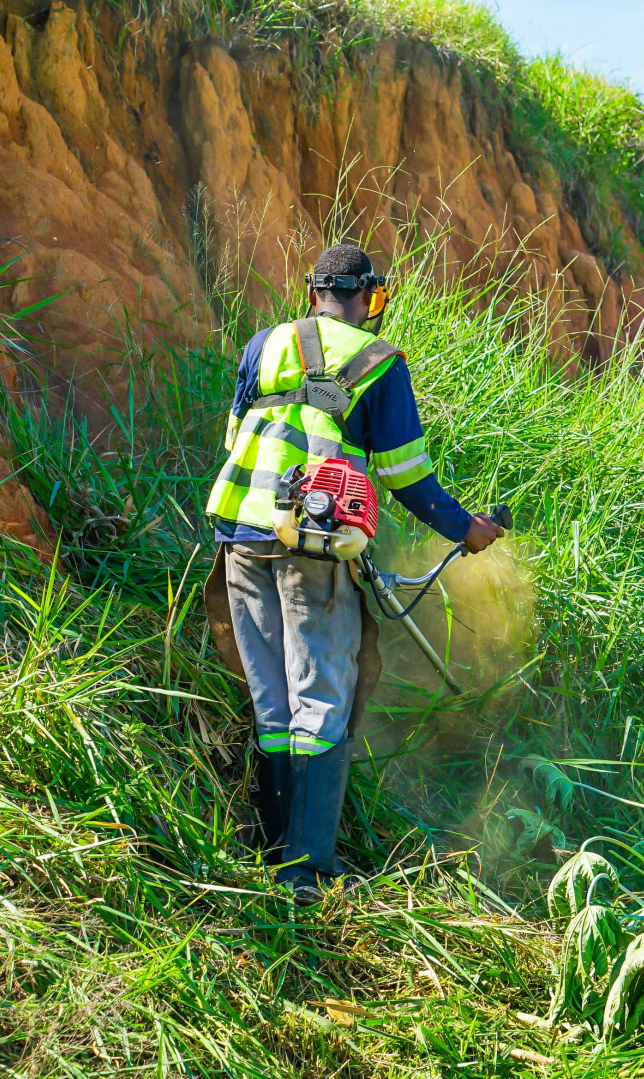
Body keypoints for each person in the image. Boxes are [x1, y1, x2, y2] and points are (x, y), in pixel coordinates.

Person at [204, 245, 504, 902]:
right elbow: (406, 477)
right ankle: (305, 872)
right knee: (321, 698)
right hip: (312, 549)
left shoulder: (263, 345)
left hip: (241, 537)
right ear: (371, 297)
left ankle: (271, 850)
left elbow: (237, 439)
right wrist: (467, 529)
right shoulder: (379, 362)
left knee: (273, 701)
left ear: (312, 292)